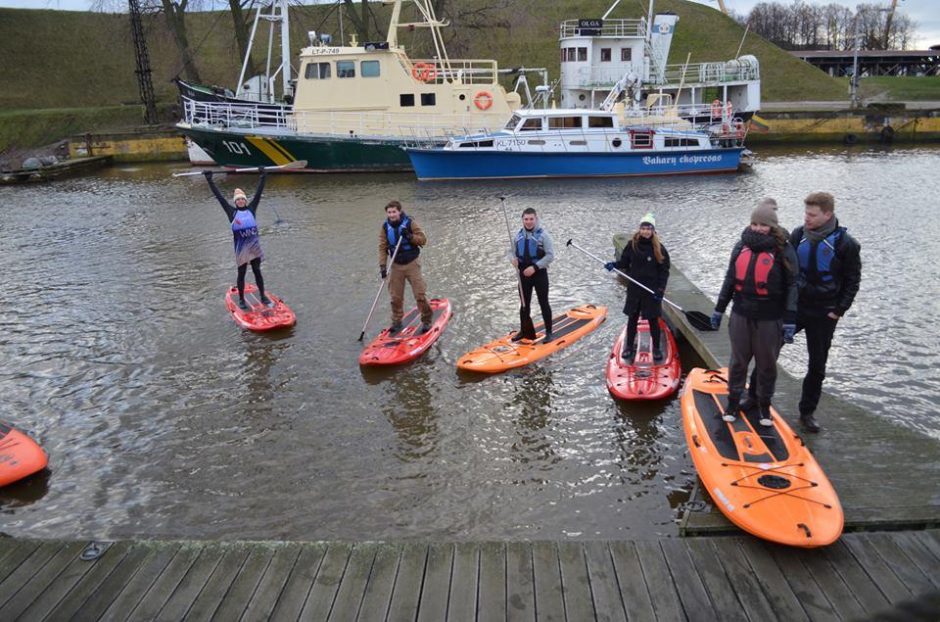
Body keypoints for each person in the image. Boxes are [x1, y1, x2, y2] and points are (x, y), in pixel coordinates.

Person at [710, 202, 798, 427]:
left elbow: (792, 286)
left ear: (772, 226)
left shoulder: (784, 249)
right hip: (741, 313)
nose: (758, 228)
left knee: (767, 365)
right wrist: (719, 309)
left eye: (763, 225)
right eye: (754, 223)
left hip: (770, 318)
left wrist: (790, 320)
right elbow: (730, 280)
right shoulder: (741, 246)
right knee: (738, 362)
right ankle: (732, 401)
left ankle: (764, 406)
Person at [789, 191, 861, 432]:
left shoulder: (846, 244)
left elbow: (852, 280)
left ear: (827, 214)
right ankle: (755, 397)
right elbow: (786, 269)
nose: (806, 218)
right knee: (768, 348)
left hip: (825, 312)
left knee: (817, 365)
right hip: (798, 307)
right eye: (806, 213)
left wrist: (839, 310)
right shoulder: (798, 235)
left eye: (812, 214)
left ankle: (806, 413)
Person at [604, 212, 670, 361]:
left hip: (651, 290)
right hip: (635, 289)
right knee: (632, 318)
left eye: (649, 228)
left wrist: (660, 290)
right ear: (640, 229)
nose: (646, 231)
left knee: (653, 320)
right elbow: (625, 263)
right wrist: (614, 265)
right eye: (643, 228)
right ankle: (628, 347)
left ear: (653, 231)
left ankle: (657, 348)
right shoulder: (632, 245)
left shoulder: (659, 249)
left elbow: (664, 272)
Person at [204, 169, 270, 310]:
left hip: (254, 247)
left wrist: (263, 176)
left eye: (242, 199)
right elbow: (219, 197)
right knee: (242, 274)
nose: (240, 201)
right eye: (238, 200)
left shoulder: (252, 209)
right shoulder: (231, 212)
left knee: (257, 271)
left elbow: (258, 193)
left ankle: (263, 296)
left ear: (245, 200)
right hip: (242, 249)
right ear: (235, 202)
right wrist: (210, 179)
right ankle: (241, 300)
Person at [379, 200, 433, 334]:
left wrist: (409, 236)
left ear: (399, 211)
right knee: (395, 297)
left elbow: (423, 240)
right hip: (396, 265)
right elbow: (382, 247)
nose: (392, 215)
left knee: (420, 295)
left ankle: (426, 320)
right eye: (389, 212)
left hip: (412, 264)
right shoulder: (385, 227)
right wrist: (382, 266)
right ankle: (397, 321)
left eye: (394, 212)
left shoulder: (409, 223)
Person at [510, 207, 555, 342]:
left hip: (539, 274)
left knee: (543, 303)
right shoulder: (517, 236)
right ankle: (524, 331)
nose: (528, 222)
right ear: (522, 220)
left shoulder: (543, 236)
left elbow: (550, 256)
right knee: (524, 304)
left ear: (536, 219)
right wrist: (512, 259)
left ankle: (549, 332)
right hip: (523, 275)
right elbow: (510, 252)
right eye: (526, 219)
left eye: (531, 219)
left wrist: (535, 267)